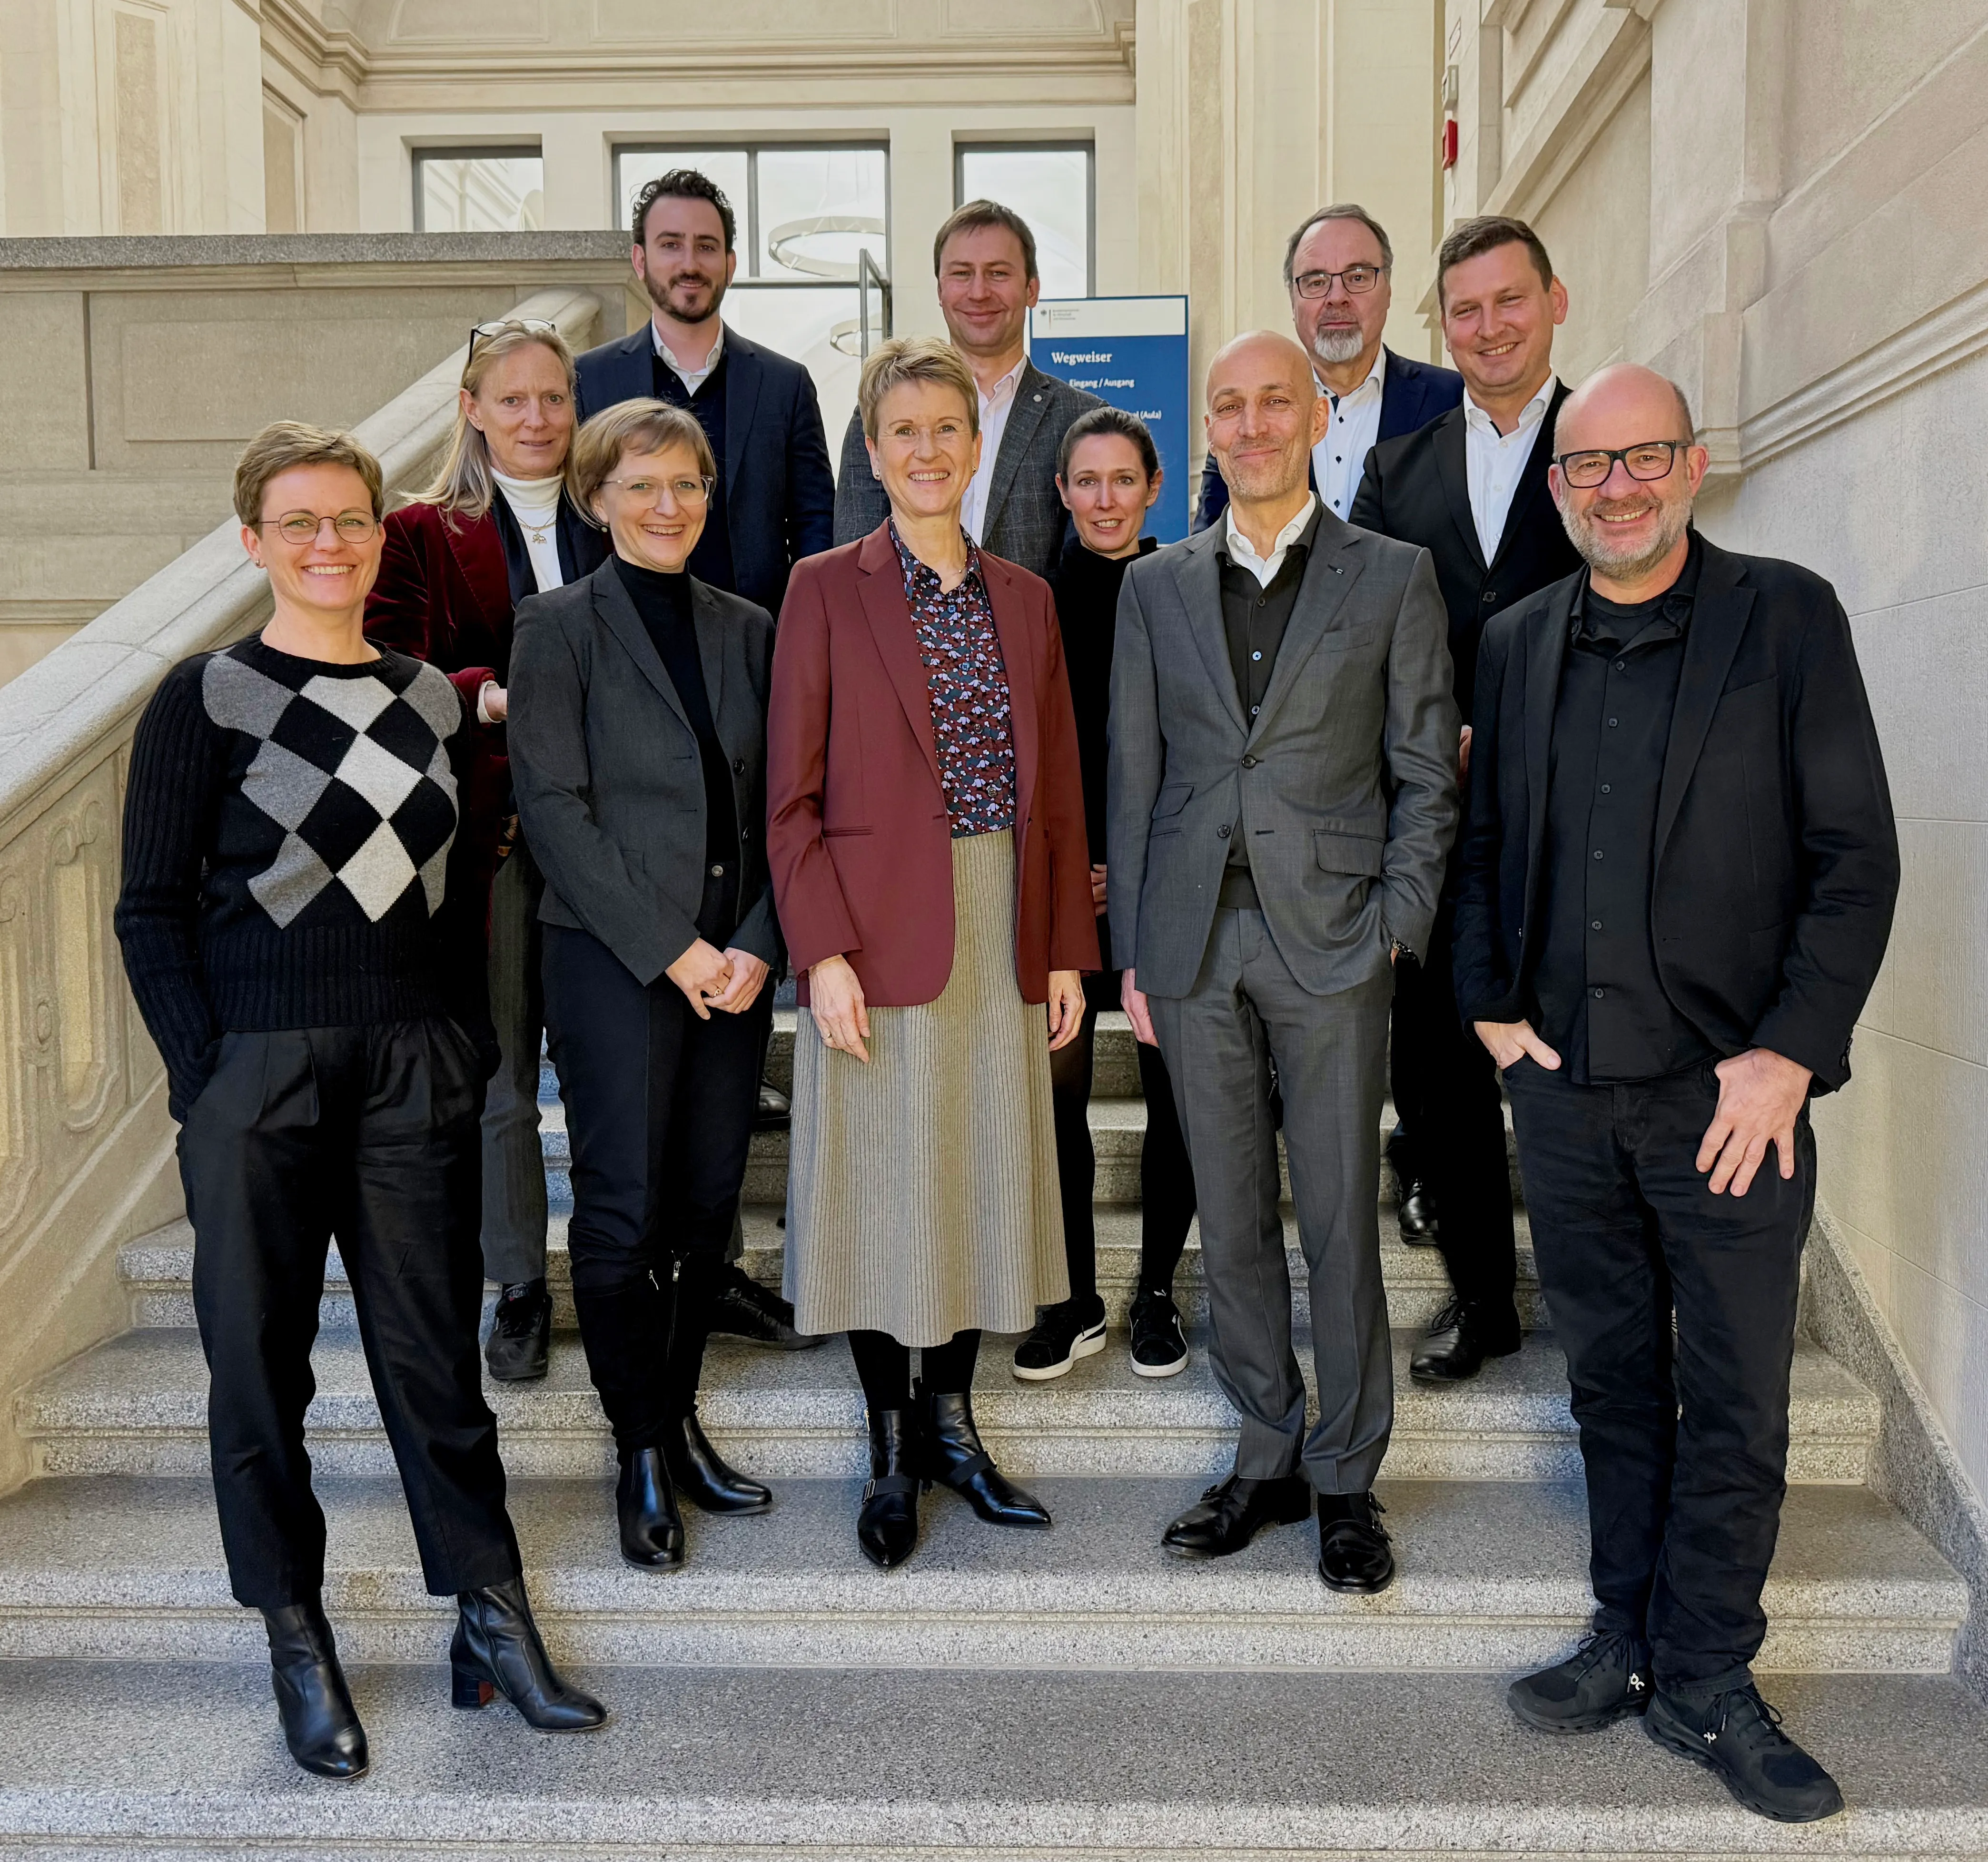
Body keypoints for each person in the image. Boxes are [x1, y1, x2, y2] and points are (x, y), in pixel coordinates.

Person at [114, 422, 606, 1782]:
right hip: (255, 1079)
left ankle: (490, 1615)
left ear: (380, 535)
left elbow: (459, 895)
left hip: (412, 1069)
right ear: (254, 541)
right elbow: (150, 910)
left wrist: (460, 1046)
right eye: (301, 522)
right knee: (257, 1367)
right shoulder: (201, 697)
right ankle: (295, 1631)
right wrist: (204, 1075)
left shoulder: (431, 699)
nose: (329, 541)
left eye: (350, 519)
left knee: (431, 1361)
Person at [1455, 364, 1898, 1823]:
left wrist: (1788, 1052)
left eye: (1643, 457)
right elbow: (1482, 836)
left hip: (1730, 1100)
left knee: (1737, 1400)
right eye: (1588, 467)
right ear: (1560, 487)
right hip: (1569, 1098)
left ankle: (1710, 1671)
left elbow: (1854, 857)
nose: (1617, 485)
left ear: (1691, 465)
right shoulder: (1517, 638)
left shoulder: (1785, 616)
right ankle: (1623, 1633)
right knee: (1610, 1383)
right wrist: (1488, 1002)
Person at [1109, 333, 1457, 1593]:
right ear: (1207, 425)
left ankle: (1348, 1475)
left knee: (1336, 1218)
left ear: (1316, 416)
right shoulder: (1157, 585)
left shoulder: (1393, 577)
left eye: (1275, 403)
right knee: (1234, 1217)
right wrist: (1135, 954)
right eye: (1230, 406)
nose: (1252, 425)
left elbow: (1427, 774)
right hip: (1194, 940)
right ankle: (1267, 1448)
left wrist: (1397, 926)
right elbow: (1134, 780)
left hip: (1334, 943)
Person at [769, 336, 1098, 1570]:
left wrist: (1065, 948)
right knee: (874, 1187)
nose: (924, 451)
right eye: (901, 431)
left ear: (976, 445)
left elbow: (1055, 787)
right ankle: (891, 1443)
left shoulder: (1026, 598)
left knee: (972, 1175)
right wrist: (824, 954)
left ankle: (956, 1424)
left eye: (945, 431)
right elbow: (789, 800)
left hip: (1001, 913)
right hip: (871, 928)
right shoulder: (824, 589)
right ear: (872, 448)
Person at [507, 401, 784, 1572]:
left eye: (684, 485)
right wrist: (675, 950)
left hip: (738, 960)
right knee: (621, 1215)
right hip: (619, 961)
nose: (665, 506)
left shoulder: (750, 628)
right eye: (640, 487)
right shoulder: (555, 628)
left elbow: (788, 801)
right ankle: (635, 1449)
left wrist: (762, 941)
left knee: (704, 1206)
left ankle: (677, 1419)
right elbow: (553, 814)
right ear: (596, 498)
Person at [575, 165, 837, 1211]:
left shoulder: (783, 385)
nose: (690, 263)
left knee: (750, 865)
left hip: (757, 682)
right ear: (640, 261)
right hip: (633, 689)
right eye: (669, 245)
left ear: (733, 262)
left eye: (707, 245)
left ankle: (716, 1204)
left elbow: (817, 531)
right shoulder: (591, 380)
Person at [1350, 215, 1582, 1385]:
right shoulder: (1397, 469)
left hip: (1581, 810)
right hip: (1439, 813)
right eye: (1467, 310)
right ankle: (1483, 1300)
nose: (1487, 328)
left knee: (1571, 1062)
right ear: (1441, 325)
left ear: (1552, 303)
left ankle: (1599, 1304)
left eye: (1508, 301)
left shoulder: (1604, 448)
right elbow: (1375, 631)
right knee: (1434, 1070)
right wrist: (1422, 729)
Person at [365, 316, 607, 1383]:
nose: (536, 418)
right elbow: (384, 668)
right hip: (495, 834)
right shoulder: (421, 530)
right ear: (471, 409)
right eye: (511, 399)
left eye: (552, 397)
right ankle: (517, 1280)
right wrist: (494, 698)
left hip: (617, 837)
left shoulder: (621, 511)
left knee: (620, 1070)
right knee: (505, 1073)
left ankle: (636, 1266)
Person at [1011, 406, 1198, 1383]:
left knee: (1177, 1090)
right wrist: (1074, 857)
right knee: (1058, 1094)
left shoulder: (1188, 592)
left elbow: (1203, 749)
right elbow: (1029, 756)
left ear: (1154, 488)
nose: (1104, 498)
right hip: (1066, 883)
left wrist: (1132, 861)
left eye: (1123, 479)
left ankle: (1157, 1292)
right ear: (1061, 492)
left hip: (1167, 878)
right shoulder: (1032, 600)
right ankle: (1071, 1294)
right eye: (1086, 481)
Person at [831, 201, 1101, 579]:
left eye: (998, 273)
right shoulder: (881, 408)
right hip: (897, 635)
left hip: (1032, 636)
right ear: (940, 289)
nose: (978, 292)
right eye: (961, 274)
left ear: (1032, 289)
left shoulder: (1081, 420)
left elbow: (1083, 572)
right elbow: (855, 551)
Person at [1194, 202, 1462, 532]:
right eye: (1316, 281)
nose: (1337, 297)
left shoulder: (1452, 401)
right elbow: (1209, 549)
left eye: (1358, 277)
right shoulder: (1244, 420)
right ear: (1293, 300)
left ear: (1388, 291)